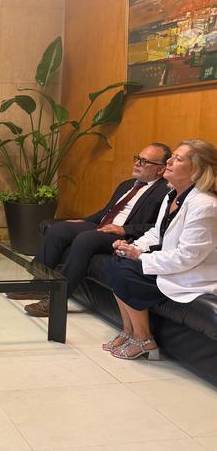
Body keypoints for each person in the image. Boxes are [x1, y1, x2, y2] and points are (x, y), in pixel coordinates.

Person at [15, 143, 172, 317]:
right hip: (102, 227)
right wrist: (84, 221)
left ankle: (56, 301)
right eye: (137, 158)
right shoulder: (127, 184)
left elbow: (158, 227)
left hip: (124, 235)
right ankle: (37, 285)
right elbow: (106, 211)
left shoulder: (165, 191)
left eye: (144, 161)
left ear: (160, 169)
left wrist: (123, 229)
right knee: (58, 230)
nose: (137, 163)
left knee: (86, 239)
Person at [103, 139, 217, 360]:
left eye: (178, 159)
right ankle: (129, 331)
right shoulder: (172, 195)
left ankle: (144, 339)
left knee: (125, 271)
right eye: (171, 157)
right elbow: (157, 234)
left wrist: (140, 257)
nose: (169, 161)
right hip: (173, 264)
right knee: (117, 261)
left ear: (196, 170)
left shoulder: (206, 205)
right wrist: (131, 247)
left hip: (191, 274)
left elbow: (187, 257)